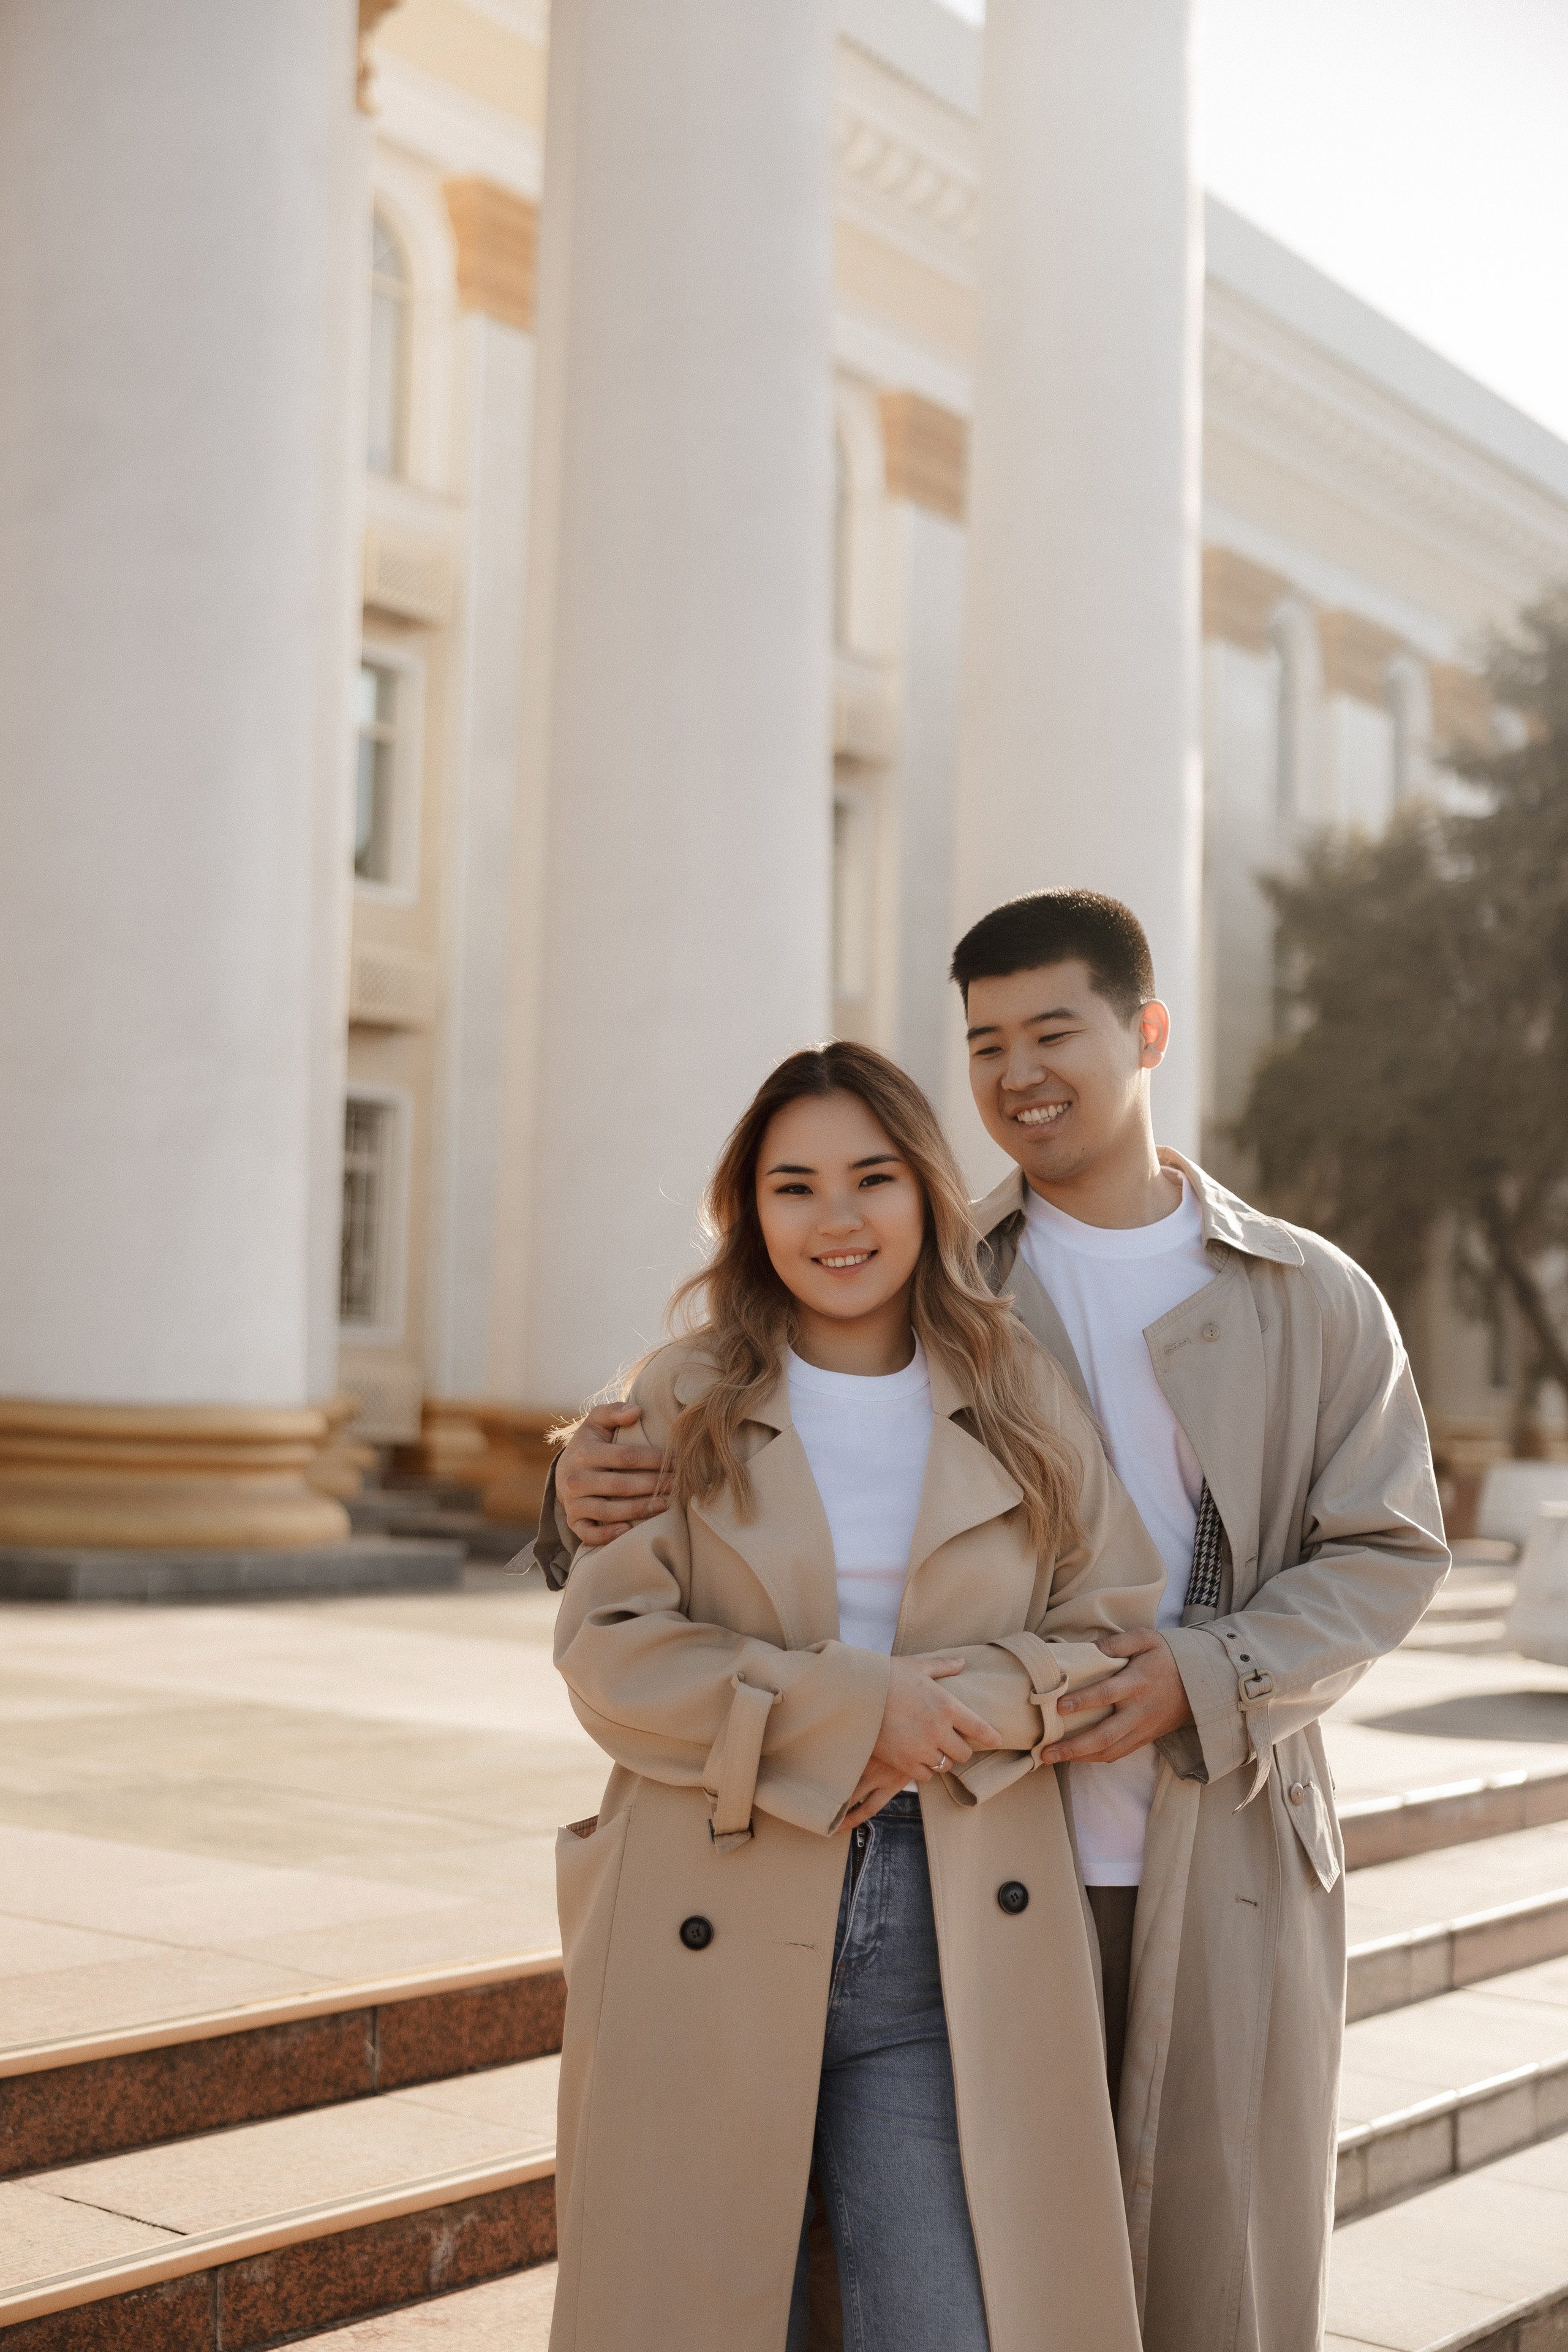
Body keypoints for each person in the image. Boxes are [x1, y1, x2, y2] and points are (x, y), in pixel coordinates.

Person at [537, 891, 1450, 2352]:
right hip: (971, 1841)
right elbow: (678, 1522)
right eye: (984, 1043)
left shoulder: (1304, 1294)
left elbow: (1384, 1549)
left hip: (1197, 1836)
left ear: (1144, 1033)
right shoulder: (945, 1274)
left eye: (1053, 1032)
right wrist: (570, 1479)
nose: (1018, 1071)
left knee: (1197, 2260)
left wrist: (1205, 1674)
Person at [547, 1041, 1163, 2352]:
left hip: (956, 1925)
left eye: (871, 1178)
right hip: (711, 1889)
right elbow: (608, 1654)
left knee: (950, 2323)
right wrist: (848, 1712)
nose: (836, 1219)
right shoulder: (680, 1395)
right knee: (692, 2316)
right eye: (794, 1186)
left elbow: (1109, 1630)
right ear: (750, 1210)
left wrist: (949, 1710)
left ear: (926, 1192)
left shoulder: (1018, 1392)